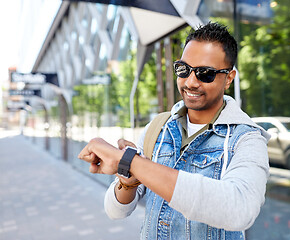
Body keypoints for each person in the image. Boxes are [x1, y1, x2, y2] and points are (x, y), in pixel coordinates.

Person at [78, 22, 270, 240]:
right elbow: (116, 211)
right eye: (183, 70)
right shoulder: (157, 128)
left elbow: (240, 209)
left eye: (205, 73)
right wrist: (128, 180)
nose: (190, 82)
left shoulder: (247, 139)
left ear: (229, 78)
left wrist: (131, 162)